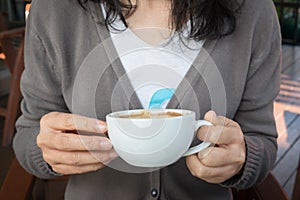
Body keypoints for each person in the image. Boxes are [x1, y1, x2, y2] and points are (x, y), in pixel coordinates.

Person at [13, 0, 281, 199]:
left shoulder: (253, 11)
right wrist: (47, 151)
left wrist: (243, 159)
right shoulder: (54, 10)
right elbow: (27, 135)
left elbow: (262, 140)